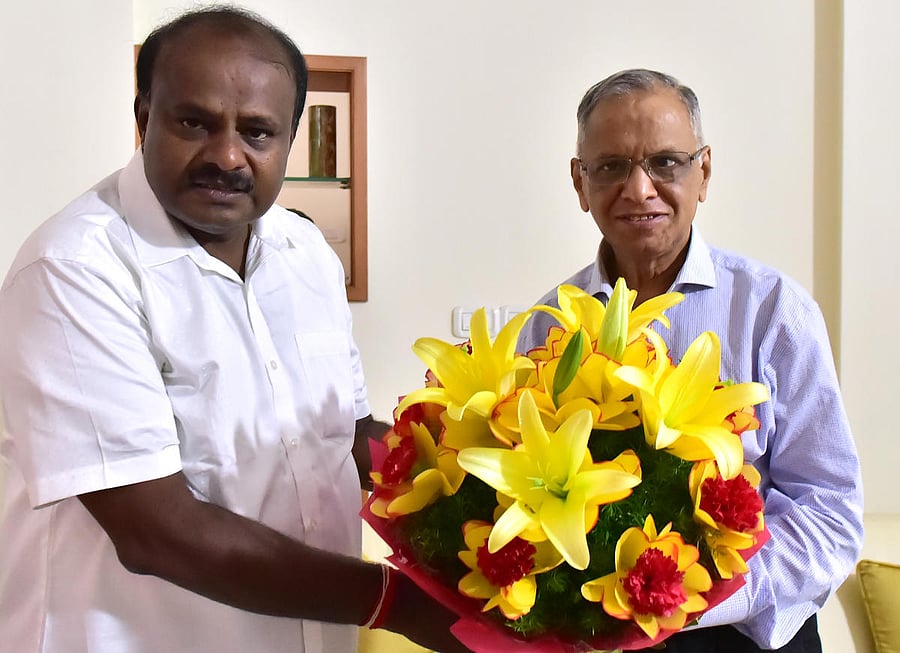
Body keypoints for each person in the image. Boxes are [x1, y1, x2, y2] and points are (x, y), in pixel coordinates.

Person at [0, 7, 469, 653]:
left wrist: (477, 474)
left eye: (257, 131)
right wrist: (396, 602)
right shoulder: (75, 268)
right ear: (144, 119)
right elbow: (156, 532)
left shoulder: (305, 252)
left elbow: (345, 432)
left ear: (290, 138)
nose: (226, 155)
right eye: (194, 122)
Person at [518, 69, 863, 652]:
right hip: (595, 634)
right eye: (610, 168)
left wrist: (688, 597)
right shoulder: (550, 324)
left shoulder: (774, 313)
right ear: (579, 183)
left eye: (666, 163)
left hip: (745, 632)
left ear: (704, 172)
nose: (639, 189)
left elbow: (831, 514)